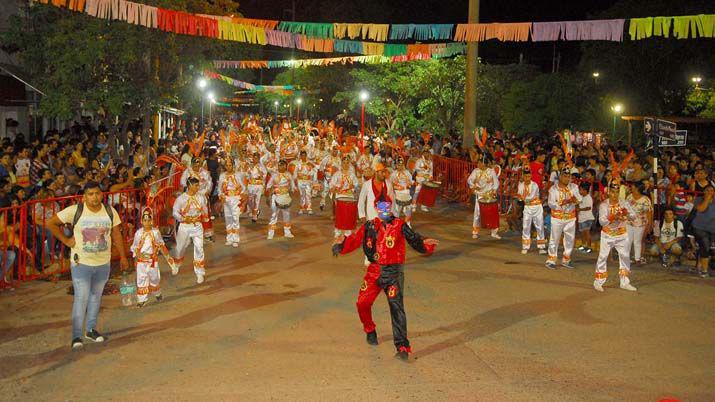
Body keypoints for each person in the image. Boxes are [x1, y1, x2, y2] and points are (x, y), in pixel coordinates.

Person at [332, 200, 439, 361]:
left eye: (387, 208)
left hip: (393, 273)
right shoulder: (369, 226)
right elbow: (354, 240)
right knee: (362, 303)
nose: (384, 211)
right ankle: (369, 329)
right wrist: (341, 246)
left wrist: (425, 243)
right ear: (376, 209)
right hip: (374, 272)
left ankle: (402, 346)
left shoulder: (399, 225)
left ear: (391, 208)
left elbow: (414, 238)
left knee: (397, 308)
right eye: (381, 208)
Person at [45, 181, 128, 349]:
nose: (94, 197)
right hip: (81, 262)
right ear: (84, 197)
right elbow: (51, 223)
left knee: (96, 297)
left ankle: (90, 329)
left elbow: (117, 235)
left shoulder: (110, 211)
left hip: (103, 262)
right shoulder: (76, 211)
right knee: (81, 298)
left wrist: (123, 257)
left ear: (102, 194)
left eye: (97, 193)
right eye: (90, 194)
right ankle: (76, 336)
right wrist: (67, 240)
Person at [594, 182, 638, 292]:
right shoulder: (604, 205)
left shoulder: (624, 203)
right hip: (607, 235)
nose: (614, 194)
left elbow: (633, 216)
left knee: (625, 257)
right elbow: (602, 221)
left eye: (617, 192)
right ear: (609, 192)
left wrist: (627, 213)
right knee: (603, 257)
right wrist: (614, 217)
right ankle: (598, 281)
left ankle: (625, 282)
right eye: (612, 192)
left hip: (621, 234)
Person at [130, 208, 171, 307]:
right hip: (141, 261)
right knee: (141, 279)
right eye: (144, 220)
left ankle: (157, 293)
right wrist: (138, 255)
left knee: (154, 279)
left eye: (149, 220)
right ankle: (142, 300)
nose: (147, 223)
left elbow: (161, 245)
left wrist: (171, 261)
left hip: (152, 261)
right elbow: (134, 247)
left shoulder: (155, 232)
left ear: (152, 221)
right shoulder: (139, 233)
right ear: (141, 221)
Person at [172, 177, 209, 284]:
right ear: (189, 186)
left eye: (198, 185)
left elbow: (204, 208)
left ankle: (200, 272)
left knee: (199, 248)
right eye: (196, 185)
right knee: (180, 248)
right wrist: (183, 218)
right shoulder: (181, 199)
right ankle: (177, 264)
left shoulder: (201, 197)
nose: (198, 187)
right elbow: (175, 212)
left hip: (197, 226)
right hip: (184, 226)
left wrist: (205, 217)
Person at [546, 166, 582, 269]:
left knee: (570, 239)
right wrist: (562, 203)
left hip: (570, 217)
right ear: (560, 177)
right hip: (557, 218)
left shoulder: (574, 187)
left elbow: (580, 199)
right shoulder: (553, 189)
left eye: (569, 176)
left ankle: (566, 260)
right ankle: (551, 260)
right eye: (565, 176)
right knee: (554, 239)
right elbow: (550, 203)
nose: (567, 179)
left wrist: (575, 200)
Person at [467, 156, 501, 239]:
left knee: (492, 214)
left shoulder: (491, 171)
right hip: (480, 196)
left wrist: (493, 191)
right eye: (478, 163)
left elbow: (496, 182)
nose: (478, 164)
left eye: (479, 163)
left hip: (489, 196)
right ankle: (475, 231)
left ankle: (494, 232)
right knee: (477, 214)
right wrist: (474, 186)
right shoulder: (476, 171)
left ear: (484, 164)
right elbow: (469, 180)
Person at [265, 160, 297, 240]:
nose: (281, 167)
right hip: (275, 196)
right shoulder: (274, 175)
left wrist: (293, 192)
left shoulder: (289, 175)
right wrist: (268, 197)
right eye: (279, 165)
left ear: (285, 166)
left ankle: (287, 232)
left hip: (285, 196)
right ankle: (271, 233)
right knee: (274, 215)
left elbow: (293, 186)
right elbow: (268, 186)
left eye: (283, 165)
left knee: (286, 215)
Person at [516, 168, 546, 254]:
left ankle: (541, 247)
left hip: (537, 207)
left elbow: (530, 197)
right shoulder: (521, 185)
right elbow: (519, 195)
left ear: (531, 176)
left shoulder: (535, 185)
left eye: (529, 176)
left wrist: (521, 197)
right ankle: (525, 246)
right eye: (526, 176)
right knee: (526, 226)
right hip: (527, 207)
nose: (527, 178)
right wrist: (520, 197)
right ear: (523, 176)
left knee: (539, 227)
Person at [217, 158, 245, 247]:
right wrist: (221, 196)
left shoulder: (238, 175)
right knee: (228, 217)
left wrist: (240, 196)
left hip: (236, 198)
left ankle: (236, 239)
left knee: (235, 218)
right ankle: (229, 238)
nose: (228, 167)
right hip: (226, 198)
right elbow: (219, 188)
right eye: (227, 165)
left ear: (233, 165)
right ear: (225, 166)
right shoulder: (222, 176)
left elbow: (243, 187)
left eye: (230, 165)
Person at [626, 181, 653, 265]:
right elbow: (625, 208)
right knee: (628, 240)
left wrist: (649, 224)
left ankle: (637, 258)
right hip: (629, 222)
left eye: (633, 186)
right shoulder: (629, 197)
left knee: (637, 241)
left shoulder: (645, 199)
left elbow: (649, 212)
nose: (631, 188)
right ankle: (626, 257)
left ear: (637, 188)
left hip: (640, 223)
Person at [692, 185, 715, 278]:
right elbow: (701, 209)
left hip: (713, 228)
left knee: (711, 249)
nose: (710, 192)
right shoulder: (698, 199)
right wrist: (707, 199)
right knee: (705, 246)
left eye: (712, 190)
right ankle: (704, 270)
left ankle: (702, 265)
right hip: (700, 228)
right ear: (704, 192)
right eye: (707, 190)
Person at [293, 150, 317, 215]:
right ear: (300, 156)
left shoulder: (309, 163)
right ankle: (301, 208)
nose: (303, 157)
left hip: (308, 181)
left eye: (304, 155)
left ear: (306, 156)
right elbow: (295, 173)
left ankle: (309, 208)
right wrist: (295, 181)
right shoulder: (298, 164)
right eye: (302, 155)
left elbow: (314, 171)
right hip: (300, 181)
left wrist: (312, 179)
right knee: (302, 195)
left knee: (308, 194)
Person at [577, 182, 595, 254]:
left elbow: (588, 207)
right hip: (582, 218)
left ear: (585, 190)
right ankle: (583, 246)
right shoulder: (582, 197)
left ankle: (589, 247)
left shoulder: (588, 198)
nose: (579, 191)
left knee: (587, 233)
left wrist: (580, 209)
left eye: (581, 190)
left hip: (587, 218)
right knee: (582, 233)